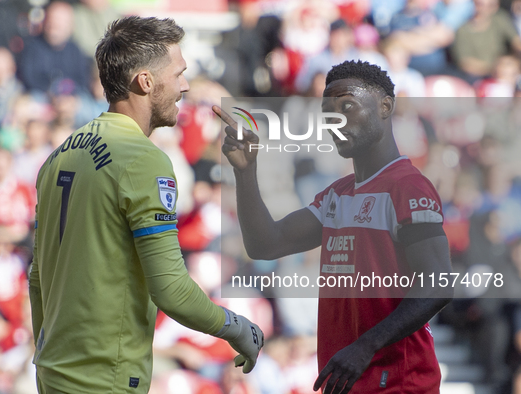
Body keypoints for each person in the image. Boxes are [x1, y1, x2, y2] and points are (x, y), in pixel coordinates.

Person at [29, 16, 264, 394]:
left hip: (53, 373)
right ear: (146, 81)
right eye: (179, 73)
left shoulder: (58, 156)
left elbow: (37, 277)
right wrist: (236, 327)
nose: (185, 85)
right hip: (105, 379)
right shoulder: (143, 160)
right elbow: (171, 289)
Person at [214, 60, 453, 393]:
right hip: (348, 380)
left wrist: (366, 346)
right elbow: (266, 245)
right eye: (328, 111)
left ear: (385, 106)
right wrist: (245, 171)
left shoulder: (407, 188)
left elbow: (438, 284)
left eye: (347, 106)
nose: (335, 120)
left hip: (398, 382)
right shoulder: (336, 195)